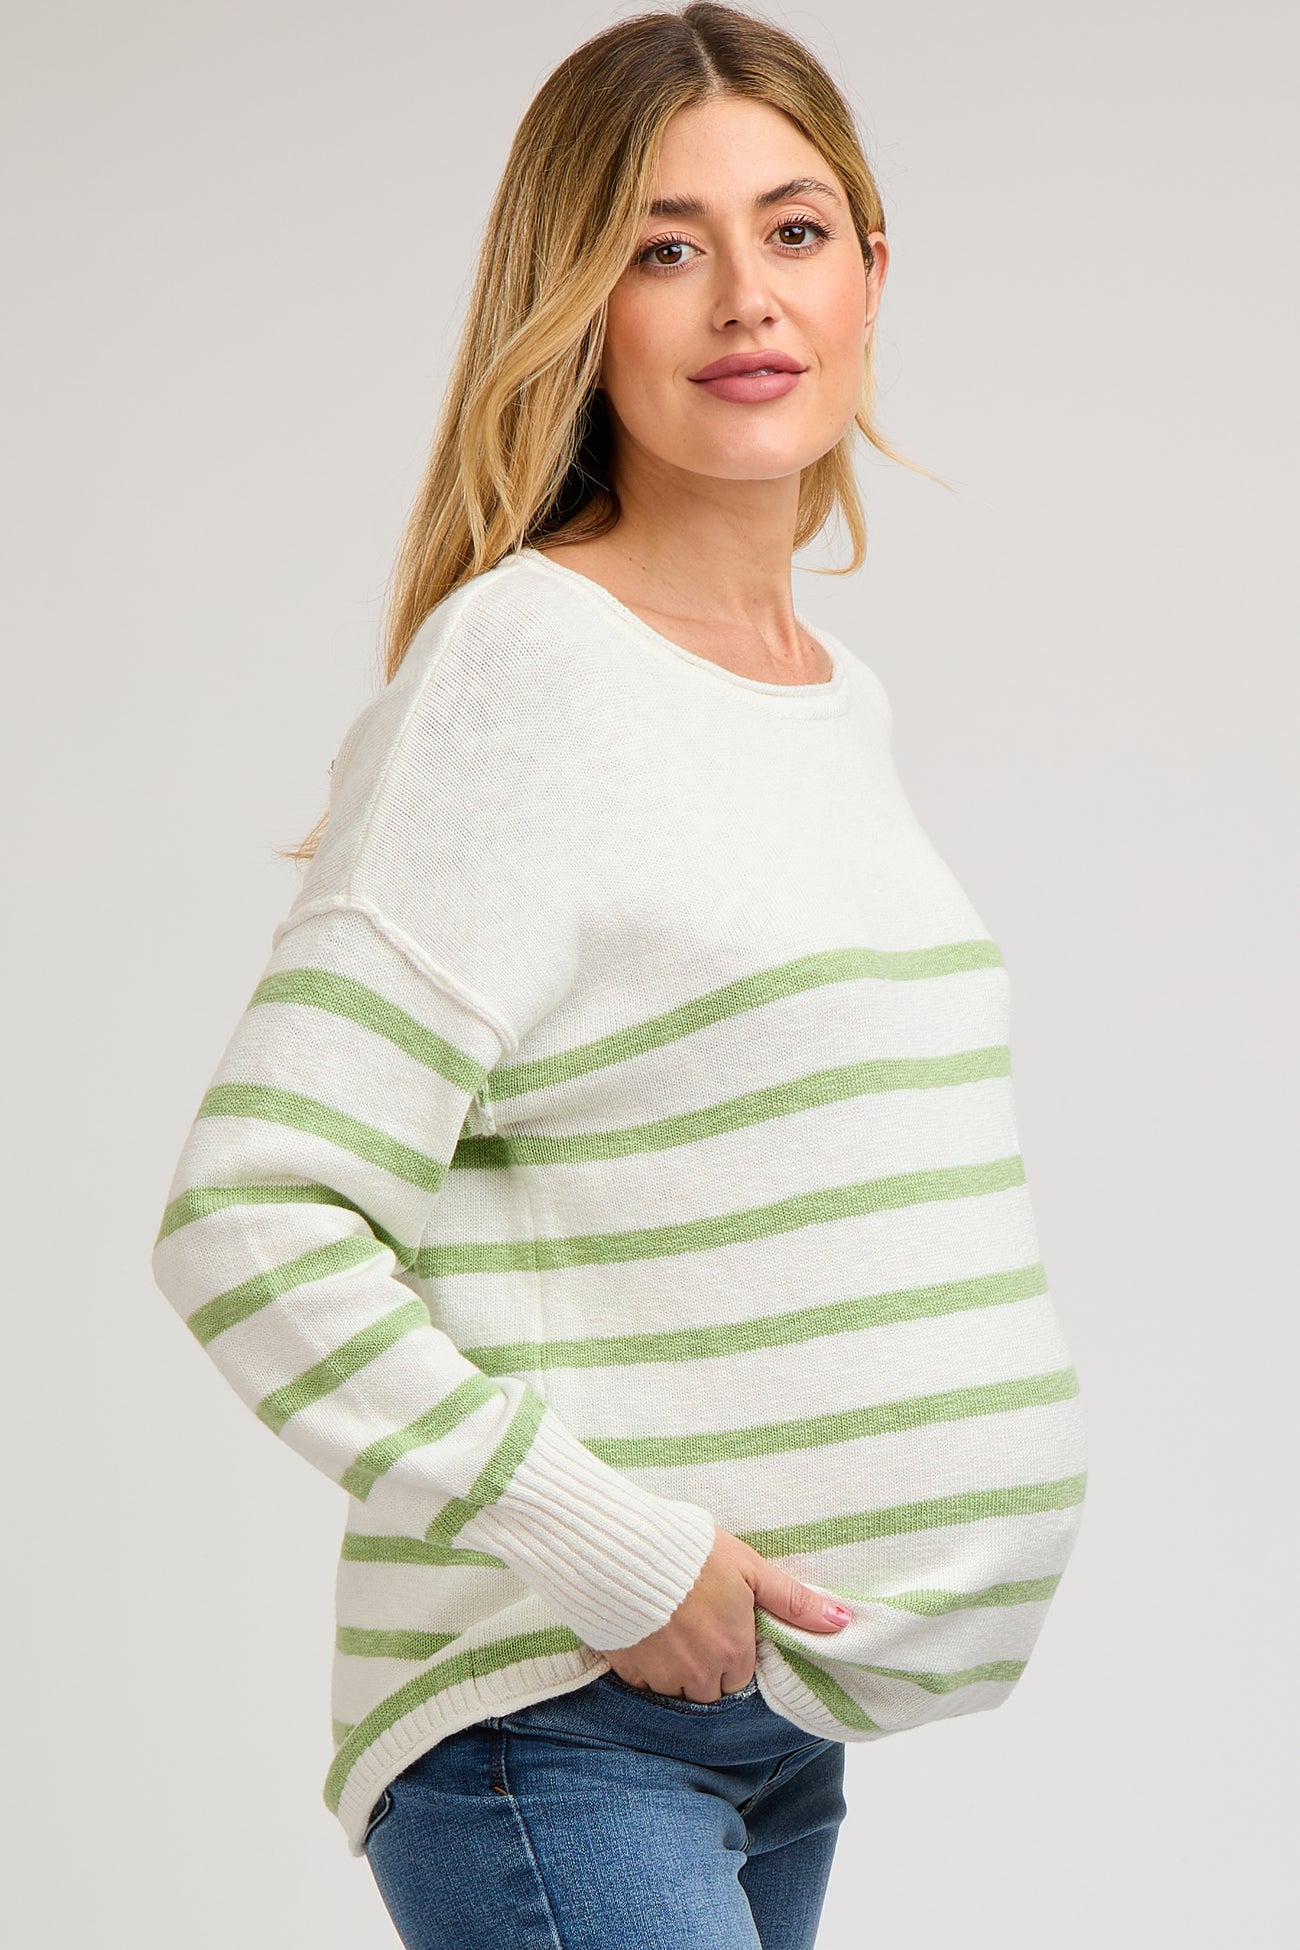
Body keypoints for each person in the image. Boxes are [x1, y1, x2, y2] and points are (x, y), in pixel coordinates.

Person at [150, 5, 1088, 1946]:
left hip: (765, 1721)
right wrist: (617, 1552)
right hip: (566, 1717)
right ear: (577, 308)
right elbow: (251, 1217)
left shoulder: (830, 702)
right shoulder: (523, 674)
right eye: (665, 247)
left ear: (871, 269)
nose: (745, 296)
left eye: (793, 230)